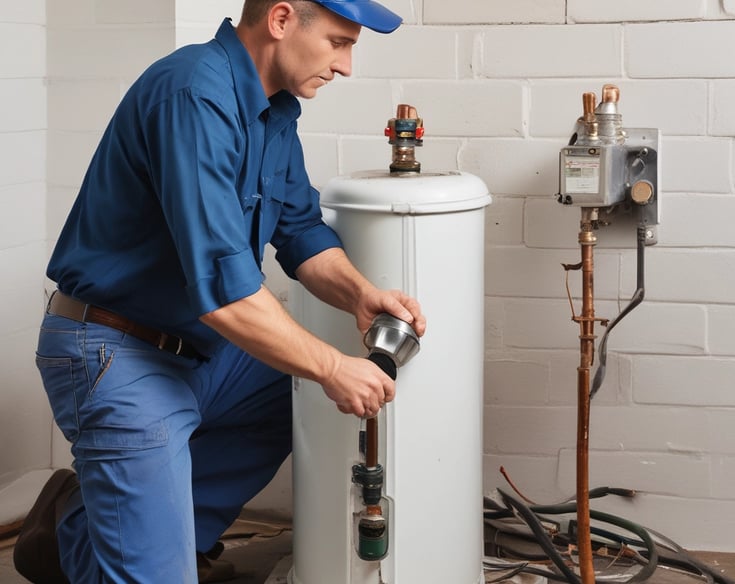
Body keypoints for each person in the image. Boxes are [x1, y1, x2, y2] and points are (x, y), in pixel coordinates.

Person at [13, 1, 426, 582]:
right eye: (338, 41)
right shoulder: (192, 96)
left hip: (193, 348)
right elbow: (227, 295)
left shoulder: (274, 109)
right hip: (114, 351)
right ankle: (144, 554)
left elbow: (300, 228)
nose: (346, 66)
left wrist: (361, 295)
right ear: (281, 20)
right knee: (158, 573)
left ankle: (83, 542)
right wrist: (333, 367)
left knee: (291, 397)